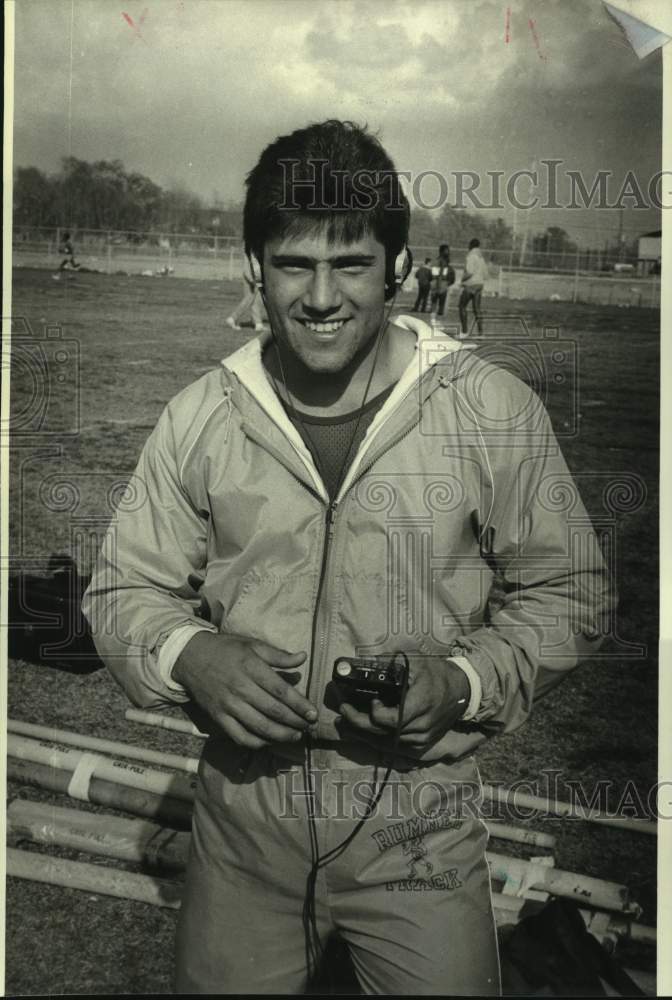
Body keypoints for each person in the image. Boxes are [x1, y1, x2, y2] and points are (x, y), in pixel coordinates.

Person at [83, 120, 612, 995]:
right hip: (244, 813)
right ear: (255, 266)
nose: (320, 297)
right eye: (295, 263)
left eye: (351, 265)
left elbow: (571, 591)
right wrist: (190, 654)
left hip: (419, 822)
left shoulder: (490, 408)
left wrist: (465, 681)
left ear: (398, 271)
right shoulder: (201, 414)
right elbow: (122, 587)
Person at [225, 251, 265, 331]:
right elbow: (246, 269)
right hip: (250, 278)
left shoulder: (256, 251)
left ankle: (258, 323)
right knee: (249, 299)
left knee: (256, 300)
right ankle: (232, 318)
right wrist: (251, 280)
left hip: (254, 278)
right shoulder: (249, 251)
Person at [459, 238, 489, 335]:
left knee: (462, 306)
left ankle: (464, 332)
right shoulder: (481, 257)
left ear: (470, 245)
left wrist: (462, 280)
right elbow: (485, 274)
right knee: (477, 309)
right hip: (480, 284)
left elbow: (470, 272)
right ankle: (481, 333)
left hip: (471, 284)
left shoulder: (471, 256)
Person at [429, 243, 455, 320]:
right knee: (441, 305)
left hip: (439, 284)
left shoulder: (437, 262)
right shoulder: (443, 263)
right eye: (447, 251)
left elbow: (431, 274)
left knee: (436, 305)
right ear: (442, 251)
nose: (448, 253)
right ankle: (436, 322)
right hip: (441, 284)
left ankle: (434, 321)